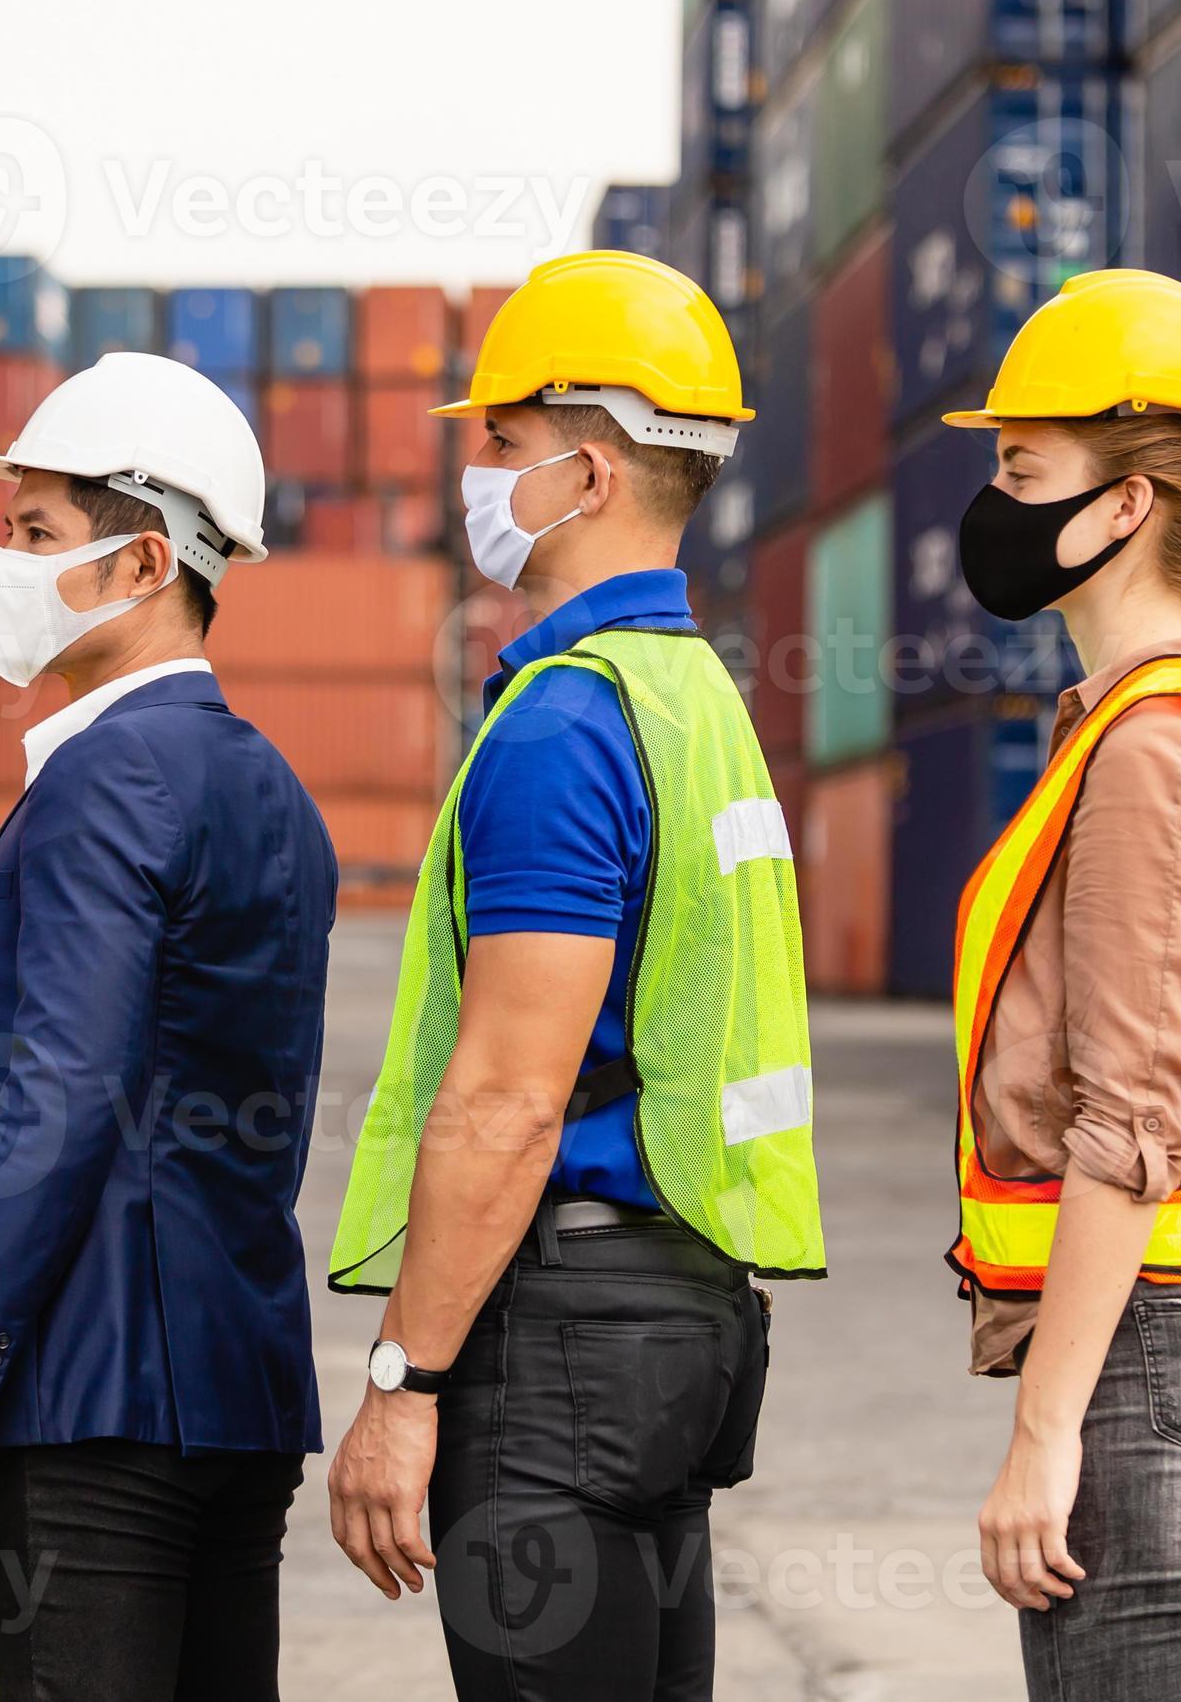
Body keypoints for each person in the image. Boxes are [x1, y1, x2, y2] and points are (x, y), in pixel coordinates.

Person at [325, 251, 824, 1699]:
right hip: (688, 1321)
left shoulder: (561, 722)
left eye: (502, 442)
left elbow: (505, 1096)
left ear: (588, 473)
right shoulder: (698, 700)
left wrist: (401, 1384)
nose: (476, 471)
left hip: (558, 1353)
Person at [0, 352, 339, 1702]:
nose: (0, 562)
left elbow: (61, 1096)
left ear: (142, 564)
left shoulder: (103, 781)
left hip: (89, 1404)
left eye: (33, 533)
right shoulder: (271, 792)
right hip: (235, 1387)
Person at [936, 268, 1181, 1697]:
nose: (988, 505)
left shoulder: (1153, 750)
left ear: (1122, 509)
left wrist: (1044, 1431)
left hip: (1163, 1377)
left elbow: (1129, 1127)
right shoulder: (1166, 724)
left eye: (1017, 467)